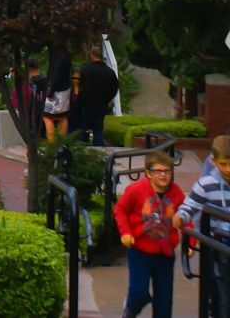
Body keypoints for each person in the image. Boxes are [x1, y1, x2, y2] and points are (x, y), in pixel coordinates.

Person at [114, 150, 185, 318]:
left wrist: (190, 242)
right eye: (158, 171)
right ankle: (130, 309)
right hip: (140, 251)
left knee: (164, 302)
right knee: (139, 293)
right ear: (148, 173)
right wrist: (125, 232)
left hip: (165, 253)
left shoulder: (176, 192)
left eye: (167, 171)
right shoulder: (137, 189)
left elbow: (185, 215)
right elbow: (120, 209)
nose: (163, 175)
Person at [174, 135, 230, 318]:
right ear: (213, 162)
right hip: (218, 245)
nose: (228, 169)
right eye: (224, 164)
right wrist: (180, 218)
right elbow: (189, 206)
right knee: (222, 293)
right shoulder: (205, 185)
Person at [76, 46, 119, 146]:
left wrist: (79, 101)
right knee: (98, 130)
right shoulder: (109, 72)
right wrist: (107, 99)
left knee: (84, 129)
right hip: (101, 105)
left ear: (92, 55)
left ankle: (83, 150)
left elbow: (80, 86)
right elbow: (115, 88)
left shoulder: (85, 69)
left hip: (87, 104)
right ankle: (98, 152)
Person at [42, 52, 73, 142]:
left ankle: (52, 143)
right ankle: (61, 142)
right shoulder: (67, 55)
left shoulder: (59, 56)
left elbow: (56, 75)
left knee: (47, 116)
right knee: (63, 117)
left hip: (57, 90)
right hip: (65, 89)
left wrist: (50, 91)